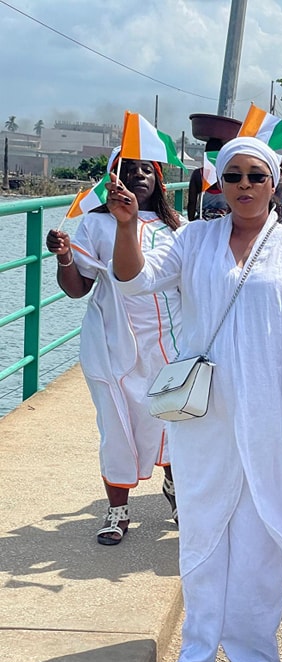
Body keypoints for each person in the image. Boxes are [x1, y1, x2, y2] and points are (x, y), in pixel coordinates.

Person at [108, 136, 282, 662]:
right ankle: (197, 651)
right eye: (233, 176)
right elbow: (132, 280)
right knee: (203, 529)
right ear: (218, 183)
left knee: (259, 533)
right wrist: (124, 225)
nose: (245, 187)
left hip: (269, 409)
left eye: (257, 176)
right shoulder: (193, 239)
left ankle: (256, 653)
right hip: (201, 415)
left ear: (274, 184)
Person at [46, 149, 180, 544]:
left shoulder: (178, 227)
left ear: (158, 178)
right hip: (112, 344)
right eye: (127, 169)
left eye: (146, 169)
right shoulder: (96, 224)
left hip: (168, 345)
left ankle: (177, 493)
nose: (138, 175)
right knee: (116, 428)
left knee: (174, 423)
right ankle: (117, 510)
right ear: (111, 180)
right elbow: (76, 289)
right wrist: (66, 257)